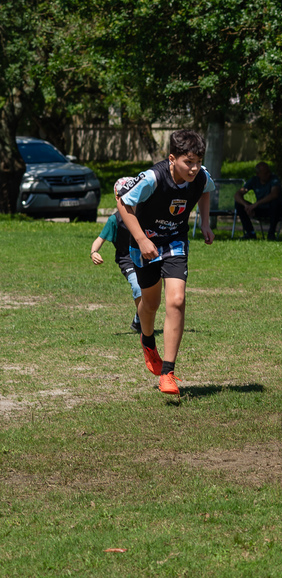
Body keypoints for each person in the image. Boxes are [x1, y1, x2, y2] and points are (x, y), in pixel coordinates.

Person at [115, 129, 215, 395]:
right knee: (151, 304)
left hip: (175, 242)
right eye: (188, 162)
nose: (194, 168)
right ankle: (148, 341)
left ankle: (167, 372)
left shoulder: (201, 176)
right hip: (144, 244)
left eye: (197, 161)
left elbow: (206, 190)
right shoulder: (152, 177)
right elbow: (123, 201)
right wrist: (141, 238)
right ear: (172, 158)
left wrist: (204, 223)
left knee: (177, 300)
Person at [90, 177, 143, 332]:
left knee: (150, 293)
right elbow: (99, 239)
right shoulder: (115, 220)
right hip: (127, 259)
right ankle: (144, 323)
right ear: (117, 197)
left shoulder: (145, 214)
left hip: (147, 257)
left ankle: (138, 319)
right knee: (138, 288)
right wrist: (94, 252)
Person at [234, 161, 282, 240]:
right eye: (265, 173)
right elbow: (237, 194)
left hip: (273, 210)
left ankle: (271, 233)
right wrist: (246, 206)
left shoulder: (274, 179)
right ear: (258, 174)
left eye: (269, 172)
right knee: (238, 204)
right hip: (260, 209)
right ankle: (250, 232)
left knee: (275, 203)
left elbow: (274, 194)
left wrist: (256, 204)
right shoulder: (254, 180)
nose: (268, 174)